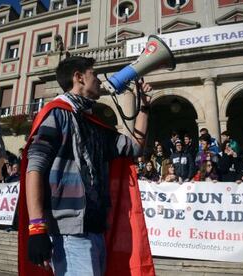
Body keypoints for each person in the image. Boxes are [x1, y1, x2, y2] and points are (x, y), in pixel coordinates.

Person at [20, 57, 154, 275]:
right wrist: (36, 228)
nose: (100, 80)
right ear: (79, 77)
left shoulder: (93, 123)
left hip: (96, 229)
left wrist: (145, 107)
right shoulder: (57, 114)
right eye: (94, 74)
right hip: (69, 233)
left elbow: (134, 148)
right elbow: (34, 168)